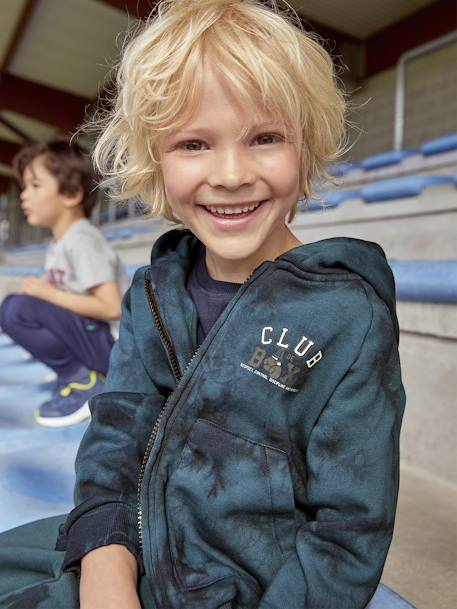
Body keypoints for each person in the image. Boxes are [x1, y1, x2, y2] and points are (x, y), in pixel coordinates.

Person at [0, 1, 405, 608]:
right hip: (129, 548)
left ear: (308, 143)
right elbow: (115, 440)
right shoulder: (152, 291)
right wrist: (107, 573)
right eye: (194, 143)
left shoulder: (347, 314)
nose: (233, 173)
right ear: (156, 162)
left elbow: (349, 532)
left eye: (265, 138)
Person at [0, 139, 129, 427]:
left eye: (34, 186)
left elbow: (112, 306)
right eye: (23, 187)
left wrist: (46, 294)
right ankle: (77, 370)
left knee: (15, 310)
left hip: (117, 350)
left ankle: (84, 381)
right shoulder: (62, 243)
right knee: (21, 306)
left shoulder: (82, 239)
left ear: (71, 194)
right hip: (99, 341)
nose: (24, 196)